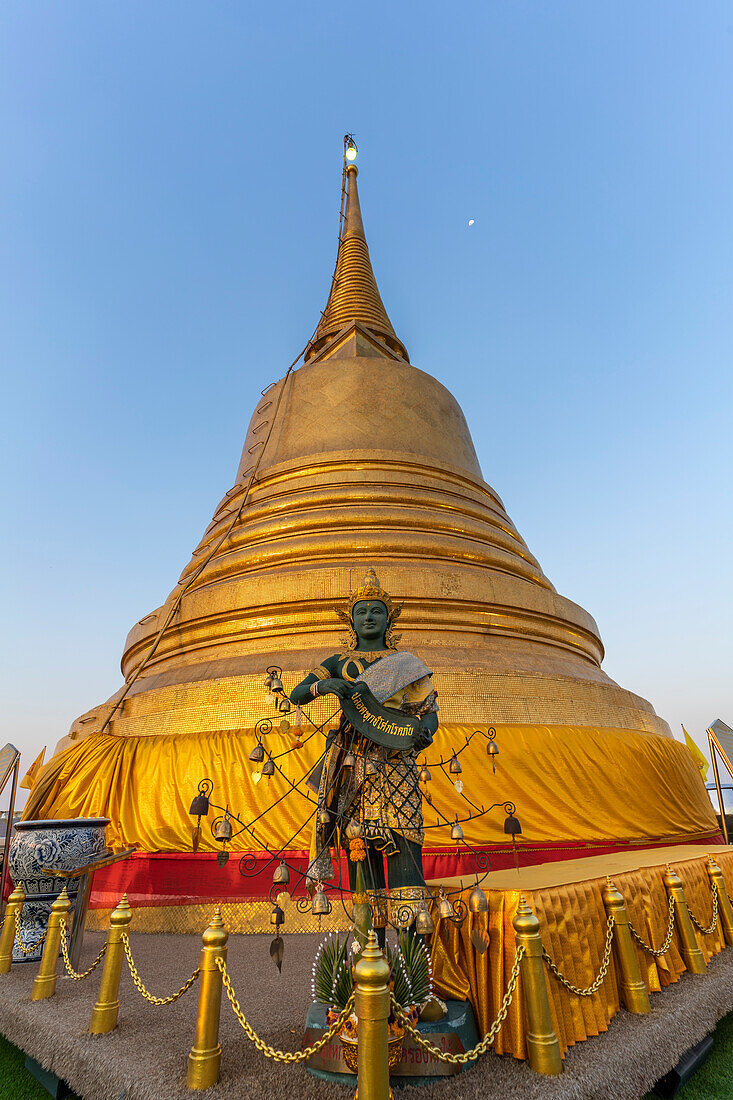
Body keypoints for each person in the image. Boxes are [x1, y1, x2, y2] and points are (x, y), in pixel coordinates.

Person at [290, 570, 438, 939]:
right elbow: (298, 693)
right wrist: (326, 684)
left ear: (389, 618)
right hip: (352, 759)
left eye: (376, 611)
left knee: (404, 839)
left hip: (397, 757)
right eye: (361, 612)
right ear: (351, 620)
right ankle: (368, 958)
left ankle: (413, 967)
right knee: (361, 844)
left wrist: (425, 734)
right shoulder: (340, 661)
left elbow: (429, 711)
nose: (369, 617)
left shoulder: (406, 663)